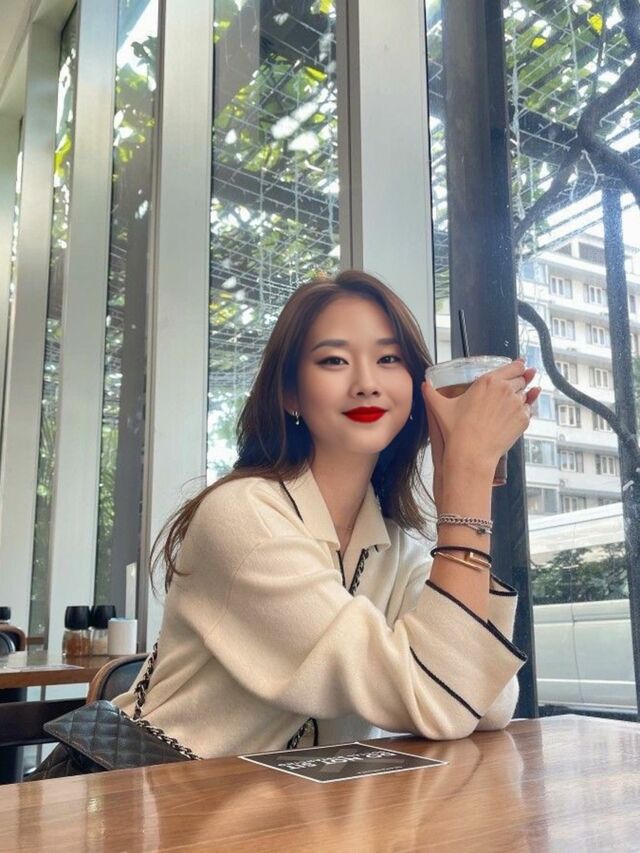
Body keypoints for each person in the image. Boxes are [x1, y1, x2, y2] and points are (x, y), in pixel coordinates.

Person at [113, 269, 540, 757]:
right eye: (334, 360)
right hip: (164, 793)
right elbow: (445, 700)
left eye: (388, 359)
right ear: (290, 393)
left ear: (416, 389)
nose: (366, 383)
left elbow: (484, 702)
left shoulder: (393, 547)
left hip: (293, 802)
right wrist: (467, 478)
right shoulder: (244, 517)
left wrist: (458, 479)